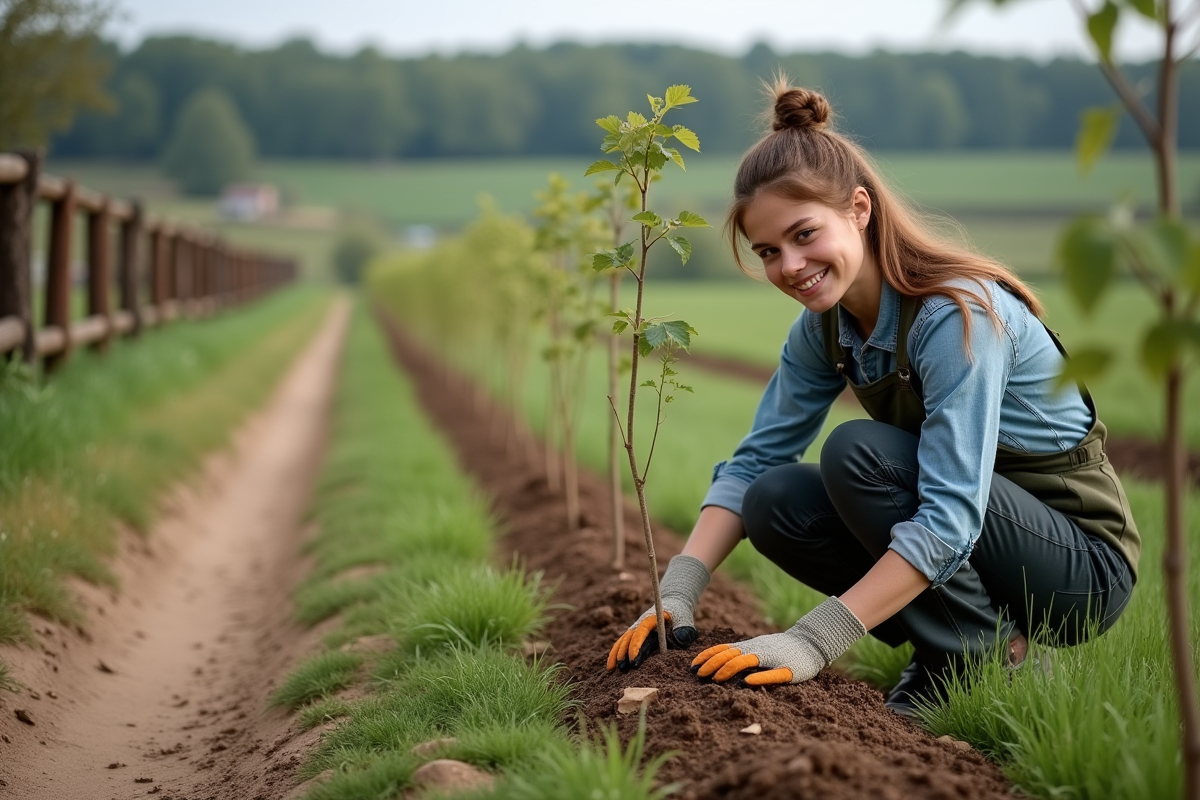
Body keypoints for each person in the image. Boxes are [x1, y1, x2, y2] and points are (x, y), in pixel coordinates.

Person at [605, 81, 1140, 716]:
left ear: (859, 208)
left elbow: (950, 516)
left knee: (860, 454)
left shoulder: (955, 316)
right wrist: (678, 592)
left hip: (1076, 568)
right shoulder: (822, 329)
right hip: (983, 537)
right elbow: (755, 462)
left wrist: (811, 641)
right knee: (772, 499)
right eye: (769, 252)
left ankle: (980, 656)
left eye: (805, 234)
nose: (790, 266)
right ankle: (958, 645)